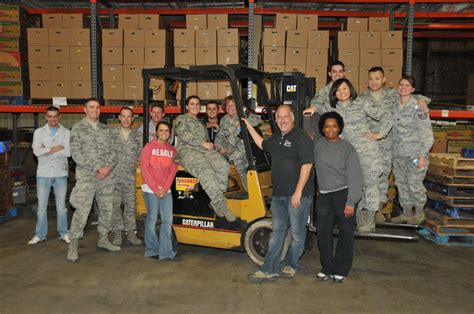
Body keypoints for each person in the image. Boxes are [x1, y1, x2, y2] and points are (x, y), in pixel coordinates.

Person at [244, 105, 314, 283]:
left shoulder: (302, 138)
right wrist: (249, 127)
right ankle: (270, 269)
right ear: (275, 120)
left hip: (297, 195)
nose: (282, 120)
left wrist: (298, 191)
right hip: (278, 196)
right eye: (279, 117)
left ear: (293, 117)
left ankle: (291, 264)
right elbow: (261, 143)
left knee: (297, 234)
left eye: (285, 116)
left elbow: (307, 165)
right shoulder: (275, 138)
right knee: (277, 232)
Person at [316, 78, 388, 232]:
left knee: (370, 185)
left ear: (350, 89)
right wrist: (311, 108)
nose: (342, 92)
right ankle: (359, 219)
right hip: (346, 156)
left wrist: (379, 134)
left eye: (345, 88)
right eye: (338, 90)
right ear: (334, 92)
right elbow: (317, 106)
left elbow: (385, 114)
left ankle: (370, 220)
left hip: (366, 153)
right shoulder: (331, 108)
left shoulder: (361, 102)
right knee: (355, 187)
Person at [360, 67, 430, 223]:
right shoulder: (363, 97)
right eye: (371, 78)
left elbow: (413, 95)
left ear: (384, 79)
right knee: (375, 179)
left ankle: (381, 210)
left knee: (386, 178)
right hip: (371, 146)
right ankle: (374, 210)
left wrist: (422, 100)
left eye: (377, 78)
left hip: (389, 146)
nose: (374, 82)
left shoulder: (392, 95)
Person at [67, 99, 119, 262]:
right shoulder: (78, 128)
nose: (95, 110)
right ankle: (73, 244)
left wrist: (107, 168)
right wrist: (98, 167)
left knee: (106, 209)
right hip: (87, 177)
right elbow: (76, 153)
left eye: (97, 108)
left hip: (106, 177)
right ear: (85, 110)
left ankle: (103, 239)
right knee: (82, 211)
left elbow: (115, 152)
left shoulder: (106, 129)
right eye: (91, 107)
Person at [314, 111, 363, 283]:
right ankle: (327, 267)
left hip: (344, 194)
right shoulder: (318, 145)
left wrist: (351, 201)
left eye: (334, 126)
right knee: (322, 233)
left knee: (346, 233)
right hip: (325, 196)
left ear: (340, 128)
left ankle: (341, 269)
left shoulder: (347, 148)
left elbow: (356, 176)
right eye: (327, 126)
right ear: (322, 128)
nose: (330, 129)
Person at [174, 95, 236, 222]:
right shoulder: (181, 119)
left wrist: (213, 146)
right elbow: (184, 134)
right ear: (187, 106)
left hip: (203, 150)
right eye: (192, 104)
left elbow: (207, 139)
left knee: (222, 165)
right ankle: (221, 204)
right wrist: (202, 143)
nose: (195, 106)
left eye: (197, 104)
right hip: (187, 151)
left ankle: (215, 200)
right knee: (206, 170)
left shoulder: (200, 123)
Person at [390, 76, 434, 225]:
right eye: (401, 84)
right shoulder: (394, 103)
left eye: (407, 85)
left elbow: (426, 133)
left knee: (415, 184)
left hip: (415, 153)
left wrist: (423, 155)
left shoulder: (417, 106)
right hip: (398, 154)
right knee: (401, 184)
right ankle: (406, 213)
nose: (403, 87)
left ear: (413, 89)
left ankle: (420, 213)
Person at [28, 106, 71, 245]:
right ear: (45, 117)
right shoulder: (39, 132)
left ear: (59, 117)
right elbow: (36, 151)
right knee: (41, 207)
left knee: (61, 207)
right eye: (50, 116)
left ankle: (64, 232)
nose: (53, 119)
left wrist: (45, 150)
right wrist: (54, 148)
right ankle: (40, 234)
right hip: (43, 174)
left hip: (60, 174)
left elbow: (68, 152)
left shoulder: (66, 132)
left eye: (55, 116)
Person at [140, 121, 178, 260]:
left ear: (170, 133)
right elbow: (144, 169)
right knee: (152, 219)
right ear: (156, 132)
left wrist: (165, 188)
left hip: (166, 190)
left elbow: (173, 171)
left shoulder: (172, 150)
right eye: (161, 130)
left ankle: (166, 251)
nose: (164, 133)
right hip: (150, 189)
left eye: (167, 130)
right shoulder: (149, 147)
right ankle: (151, 250)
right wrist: (155, 189)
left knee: (168, 220)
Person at [110, 107, 142, 246]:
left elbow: (141, 156)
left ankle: (130, 233)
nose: (126, 119)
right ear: (119, 117)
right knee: (115, 206)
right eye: (123, 116)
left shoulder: (137, 136)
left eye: (129, 116)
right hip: (114, 177)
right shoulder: (111, 134)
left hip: (130, 177)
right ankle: (117, 233)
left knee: (130, 207)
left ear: (133, 118)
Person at [215, 95, 249, 191]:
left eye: (233, 105)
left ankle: (250, 192)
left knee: (239, 162)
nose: (230, 107)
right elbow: (220, 136)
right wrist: (219, 147)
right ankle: (222, 191)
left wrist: (226, 149)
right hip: (227, 150)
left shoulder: (243, 118)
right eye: (228, 105)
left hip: (241, 151)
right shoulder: (224, 120)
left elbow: (237, 139)